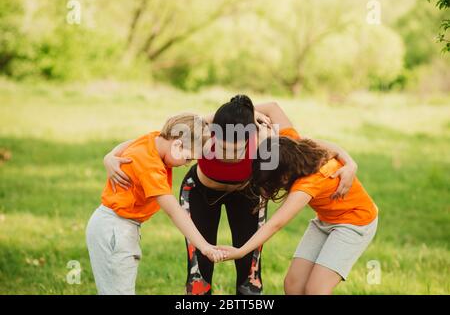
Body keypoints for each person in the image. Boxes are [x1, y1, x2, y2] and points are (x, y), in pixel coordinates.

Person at [104, 95, 358, 295]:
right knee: (199, 277)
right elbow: (152, 140)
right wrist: (110, 156)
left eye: (235, 149)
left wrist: (350, 163)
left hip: (246, 195)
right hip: (201, 192)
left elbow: (310, 146)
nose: (227, 153)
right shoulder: (203, 128)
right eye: (221, 146)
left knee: (249, 276)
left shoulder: (264, 135)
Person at [218, 110, 378, 295]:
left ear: (285, 176)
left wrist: (240, 251)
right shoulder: (291, 147)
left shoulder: (309, 184)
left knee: (316, 290)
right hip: (326, 221)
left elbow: (275, 224)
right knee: (293, 286)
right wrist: (244, 114)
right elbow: (272, 106)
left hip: (355, 223)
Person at [86, 113, 227, 295]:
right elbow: (174, 211)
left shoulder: (155, 139)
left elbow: (130, 143)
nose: (187, 164)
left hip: (115, 226)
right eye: (188, 158)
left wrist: (111, 155)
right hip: (115, 230)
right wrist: (204, 246)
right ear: (177, 144)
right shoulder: (150, 167)